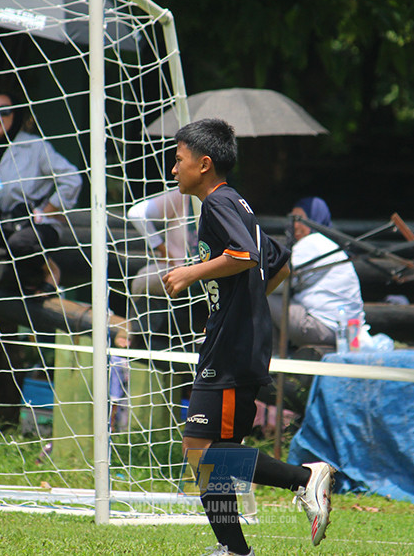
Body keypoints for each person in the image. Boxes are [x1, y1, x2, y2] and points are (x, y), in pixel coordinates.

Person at [161, 119, 336, 556]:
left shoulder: (217, 203)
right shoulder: (237, 202)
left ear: (204, 164)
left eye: (178, 160)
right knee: (214, 452)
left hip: (232, 348)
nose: (173, 169)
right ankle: (234, 550)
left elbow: (245, 255)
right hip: (236, 340)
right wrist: (237, 306)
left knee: (201, 451)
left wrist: (189, 273)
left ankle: (305, 478)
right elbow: (279, 265)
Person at [0, 93, 83, 292]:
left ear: (16, 115)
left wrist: (48, 210)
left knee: (19, 243)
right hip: (2, 221)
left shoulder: (35, 146)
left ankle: (49, 271)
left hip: (36, 224)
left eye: (4, 111)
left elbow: (72, 178)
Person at [267, 196, 364, 354]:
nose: (295, 226)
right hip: (346, 331)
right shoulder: (329, 244)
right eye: (293, 219)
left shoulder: (312, 243)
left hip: (324, 328)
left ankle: (274, 357)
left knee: (263, 296)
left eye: (300, 219)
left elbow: (280, 282)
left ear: (314, 219)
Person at [126, 187, 195, 298]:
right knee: (144, 279)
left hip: (209, 271)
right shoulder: (181, 196)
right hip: (175, 268)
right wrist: (163, 250)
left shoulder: (219, 200)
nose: (176, 176)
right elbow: (136, 213)